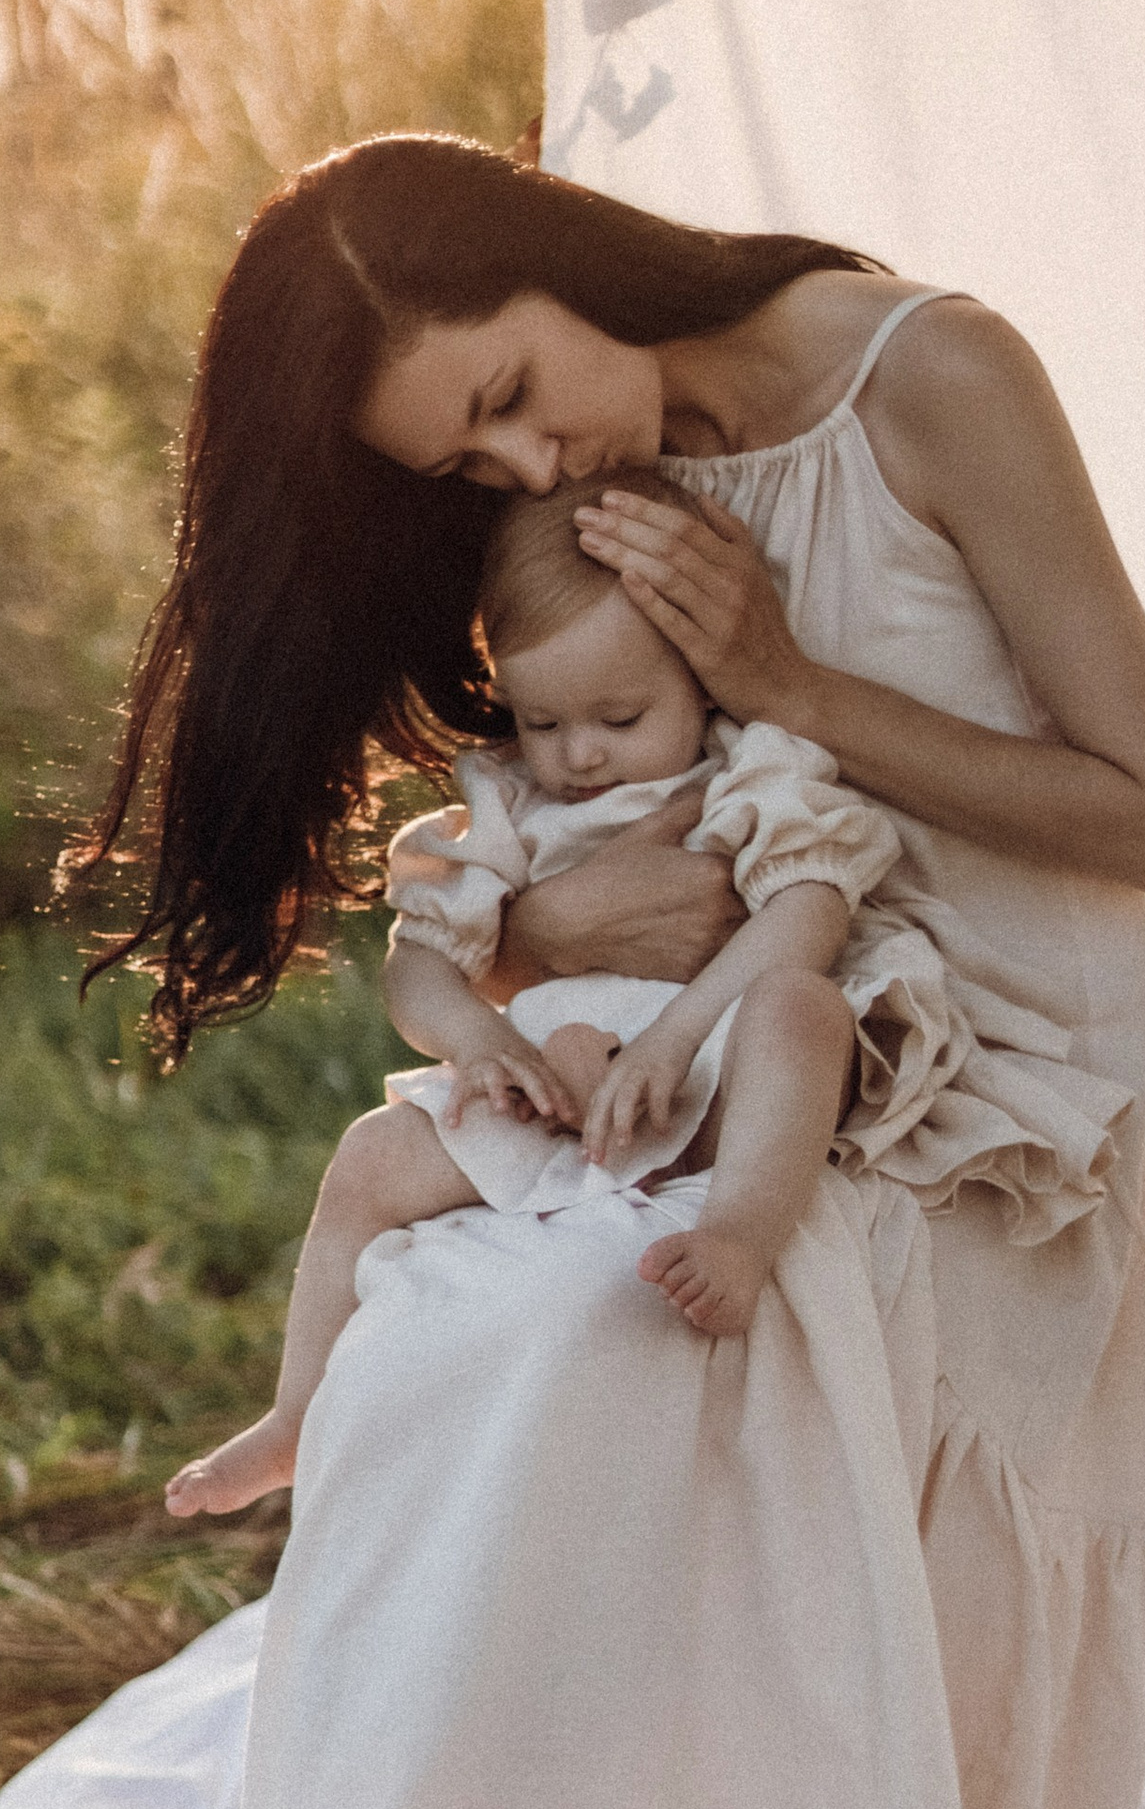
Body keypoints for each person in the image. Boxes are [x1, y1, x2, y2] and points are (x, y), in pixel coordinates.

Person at [69, 133, 1145, 1809]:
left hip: (981, 1090)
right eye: (462, 460)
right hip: (691, 1077)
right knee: (427, 1346)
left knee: (561, 1343)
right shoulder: (584, 495)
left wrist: (779, 674)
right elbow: (560, 841)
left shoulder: (927, 378)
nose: (524, 464)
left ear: (550, 255)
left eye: (507, 393)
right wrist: (529, 946)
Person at [164, 466, 914, 1520]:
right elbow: (419, 962)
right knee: (369, 1156)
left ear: (698, 679)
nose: (580, 754)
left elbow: (810, 913)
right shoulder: (507, 802)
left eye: (620, 716)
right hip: (555, 1092)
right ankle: (296, 1413)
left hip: (711, 1064)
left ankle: (740, 1236)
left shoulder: (747, 774)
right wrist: (477, 1042)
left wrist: (674, 1038)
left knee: (805, 1010)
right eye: (545, 721)